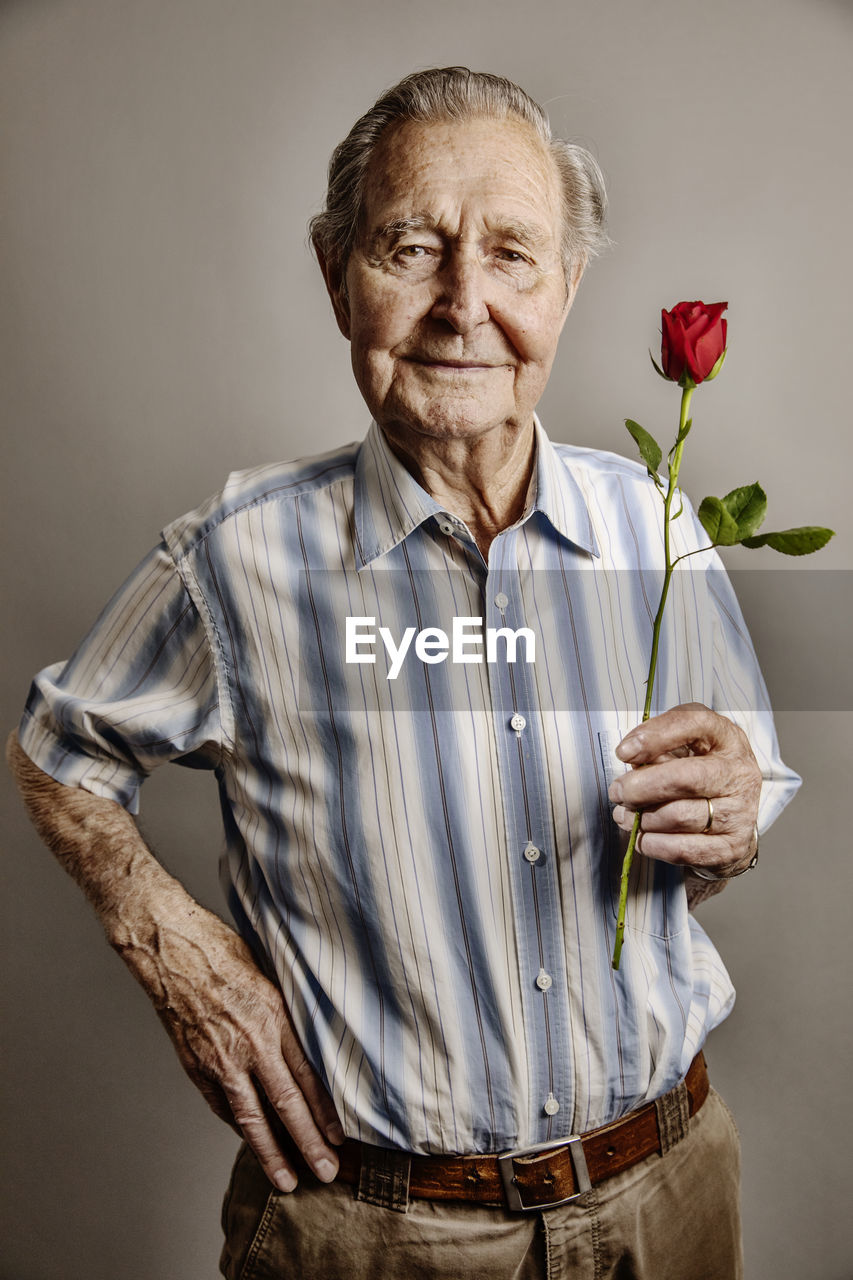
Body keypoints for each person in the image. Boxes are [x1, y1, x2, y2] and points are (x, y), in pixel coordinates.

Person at [8, 67, 800, 1279]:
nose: (462, 304)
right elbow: (59, 751)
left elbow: (745, 776)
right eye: (412, 247)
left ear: (570, 284)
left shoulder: (656, 523)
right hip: (373, 1232)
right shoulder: (235, 557)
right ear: (337, 276)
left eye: (513, 256)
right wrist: (170, 939)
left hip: (669, 1192)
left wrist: (737, 814)